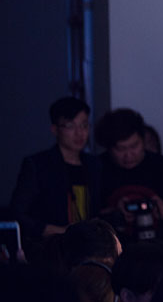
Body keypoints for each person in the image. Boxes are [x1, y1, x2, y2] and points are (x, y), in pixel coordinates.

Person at [96, 109, 163, 253]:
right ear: (109, 147)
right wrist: (115, 214)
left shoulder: (162, 166)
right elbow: (88, 218)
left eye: (134, 146)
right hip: (116, 254)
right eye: (120, 149)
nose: (128, 155)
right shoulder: (98, 168)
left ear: (143, 140)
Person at [11, 96, 101, 242]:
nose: (79, 133)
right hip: (50, 245)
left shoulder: (94, 164)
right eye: (70, 126)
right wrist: (54, 230)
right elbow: (18, 212)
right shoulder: (39, 165)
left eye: (84, 125)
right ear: (55, 129)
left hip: (90, 244)